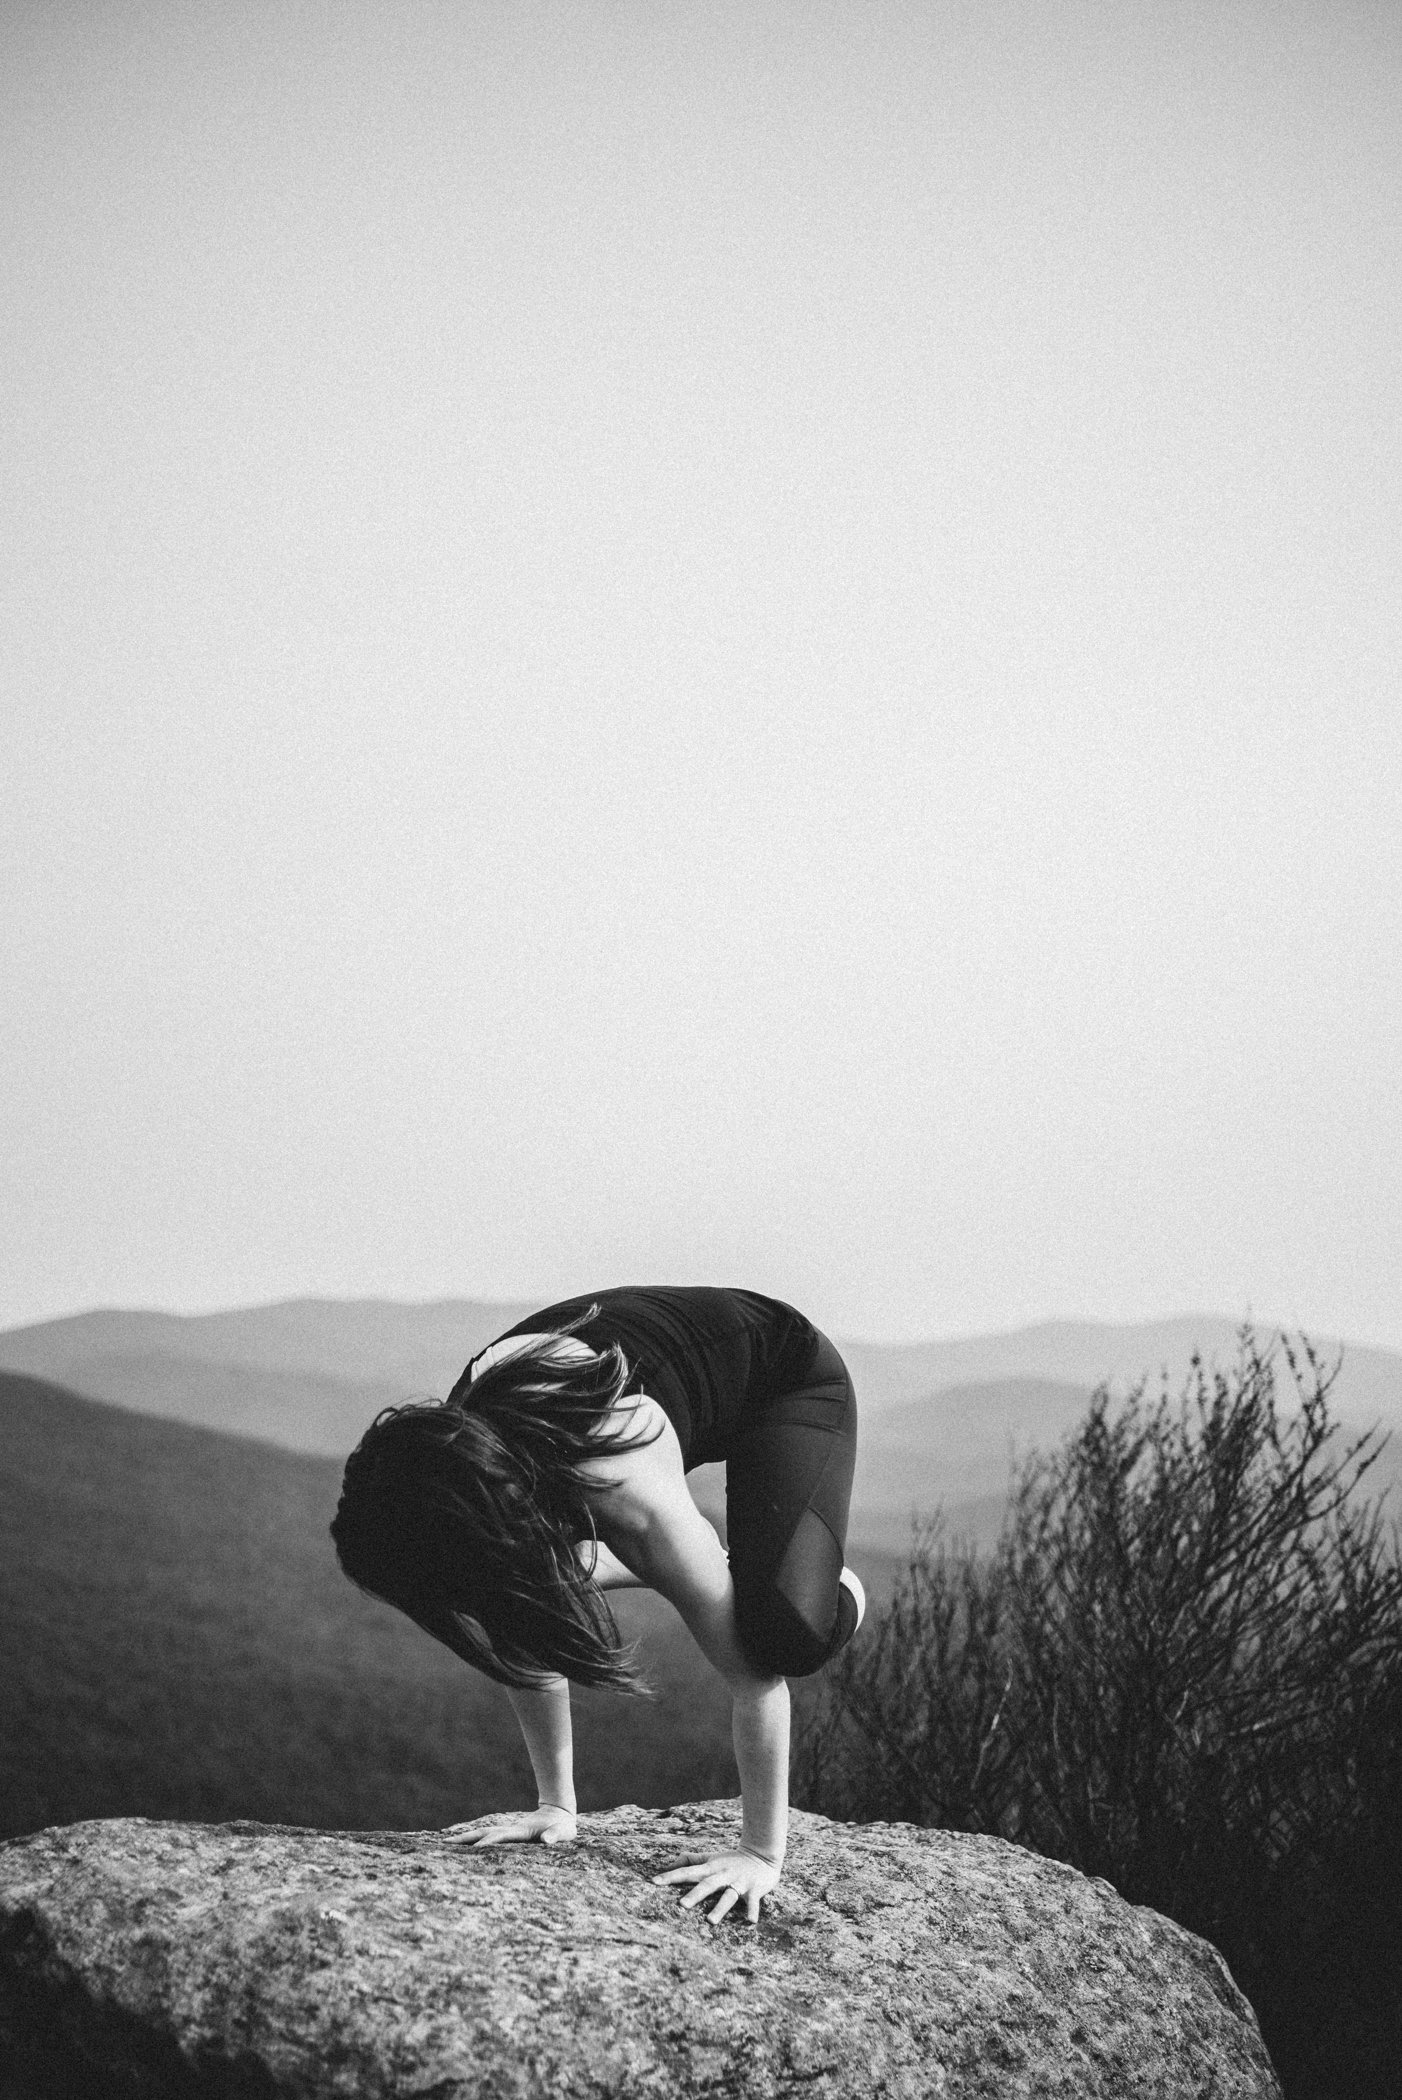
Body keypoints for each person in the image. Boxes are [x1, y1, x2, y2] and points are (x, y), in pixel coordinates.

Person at [330, 1286, 864, 1926]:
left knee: (777, 1636)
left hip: (784, 1377)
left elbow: (756, 1685)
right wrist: (555, 1808)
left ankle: (804, 1587)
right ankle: (704, 1575)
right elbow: (519, 1615)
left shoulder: (623, 1487)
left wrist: (759, 1855)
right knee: (525, 1584)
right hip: (635, 1405)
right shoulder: (452, 1459)